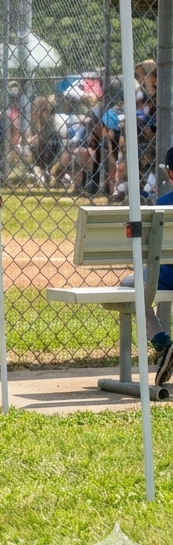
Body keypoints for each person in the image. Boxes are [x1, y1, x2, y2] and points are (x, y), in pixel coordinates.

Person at [119, 145, 173, 385]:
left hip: (167, 276)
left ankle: (162, 343)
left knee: (128, 286)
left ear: (169, 174)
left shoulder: (162, 203)